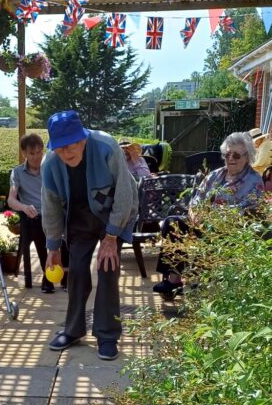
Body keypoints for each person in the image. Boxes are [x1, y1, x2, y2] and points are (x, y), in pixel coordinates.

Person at [41, 110, 138, 361]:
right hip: (79, 218)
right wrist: (53, 247)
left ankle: (107, 335)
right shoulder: (49, 164)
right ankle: (73, 329)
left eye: (71, 144)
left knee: (107, 268)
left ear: (83, 138)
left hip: (113, 214)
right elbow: (50, 207)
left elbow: (125, 194)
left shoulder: (106, 146)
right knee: (76, 271)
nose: (66, 152)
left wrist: (111, 237)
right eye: (59, 147)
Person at [153, 131, 265, 297]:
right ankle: (174, 279)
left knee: (211, 232)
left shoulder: (254, 180)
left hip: (229, 230)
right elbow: (197, 198)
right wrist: (194, 213)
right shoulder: (216, 175)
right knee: (172, 222)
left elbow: (246, 210)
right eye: (227, 154)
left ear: (247, 157)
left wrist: (213, 218)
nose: (230, 158)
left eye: (236, 155)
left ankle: (201, 282)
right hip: (201, 222)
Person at [8, 133, 67, 293]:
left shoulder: (51, 167)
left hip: (55, 213)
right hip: (34, 216)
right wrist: (24, 207)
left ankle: (65, 276)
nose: (36, 157)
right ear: (24, 153)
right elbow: (11, 200)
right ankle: (48, 276)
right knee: (38, 228)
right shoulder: (17, 172)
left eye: (39, 152)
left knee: (68, 225)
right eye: (32, 153)